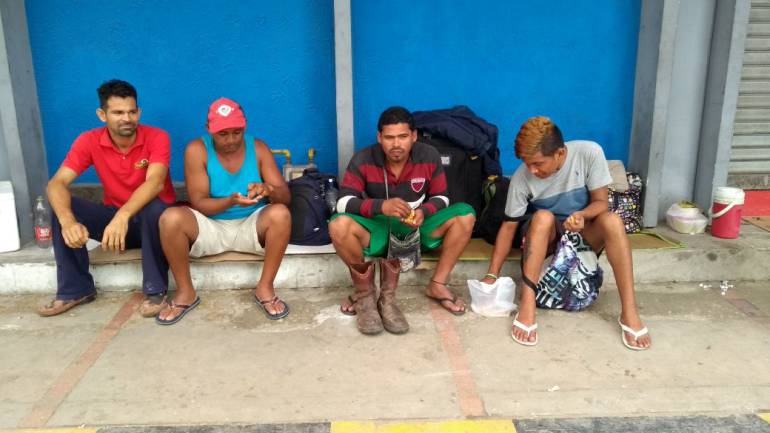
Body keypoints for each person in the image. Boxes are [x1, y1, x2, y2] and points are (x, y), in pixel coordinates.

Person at [483, 116, 651, 350]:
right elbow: (509, 226)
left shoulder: (589, 153)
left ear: (560, 153)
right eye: (526, 163)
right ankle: (528, 305)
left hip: (582, 236)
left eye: (538, 163)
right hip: (548, 241)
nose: (532, 170)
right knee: (542, 217)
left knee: (612, 221)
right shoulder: (523, 177)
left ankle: (629, 312)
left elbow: (602, 202)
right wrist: (492, 274)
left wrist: (582, 215)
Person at [329, 106, 476, 335]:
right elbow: (342, 202)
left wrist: (424, 212)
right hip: (378, 228)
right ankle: (365, 295)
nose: (396, 144)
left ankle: (437, 285)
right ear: (379, 137)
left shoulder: (428, 155)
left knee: (465, 214)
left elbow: (442, 198)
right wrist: (381, 206)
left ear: (414, 136)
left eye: (403, 137)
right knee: (338, 224)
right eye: (389, 137)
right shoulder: (363, 158)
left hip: (416, 228)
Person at [39, 79, 176, 317]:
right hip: (116, 227)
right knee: (61, 206)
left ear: (139, 112)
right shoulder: (89, 140)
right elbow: (56, 183)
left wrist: (124, 214)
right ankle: (75, 289)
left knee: (155, 208)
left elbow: (154, 183)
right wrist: (68, 220)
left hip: (154, 225)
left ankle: (156, 290)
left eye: (132, 111)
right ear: (102, 115)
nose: (127, 118)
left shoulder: (157, 137)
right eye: (118, 112)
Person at [156, 97, 291, 325]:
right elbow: (199, 202)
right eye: (222, 134)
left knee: (280, 214)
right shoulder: (196, 150)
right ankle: (186, 292)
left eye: (237, 132)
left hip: (251, 225)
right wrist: (231, 202)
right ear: (209, 129)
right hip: (211, 227)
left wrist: (267, 189)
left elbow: (285, 197)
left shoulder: (258, 148)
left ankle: (265, 288)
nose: (230, 140)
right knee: (170, 218)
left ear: (245, 125)